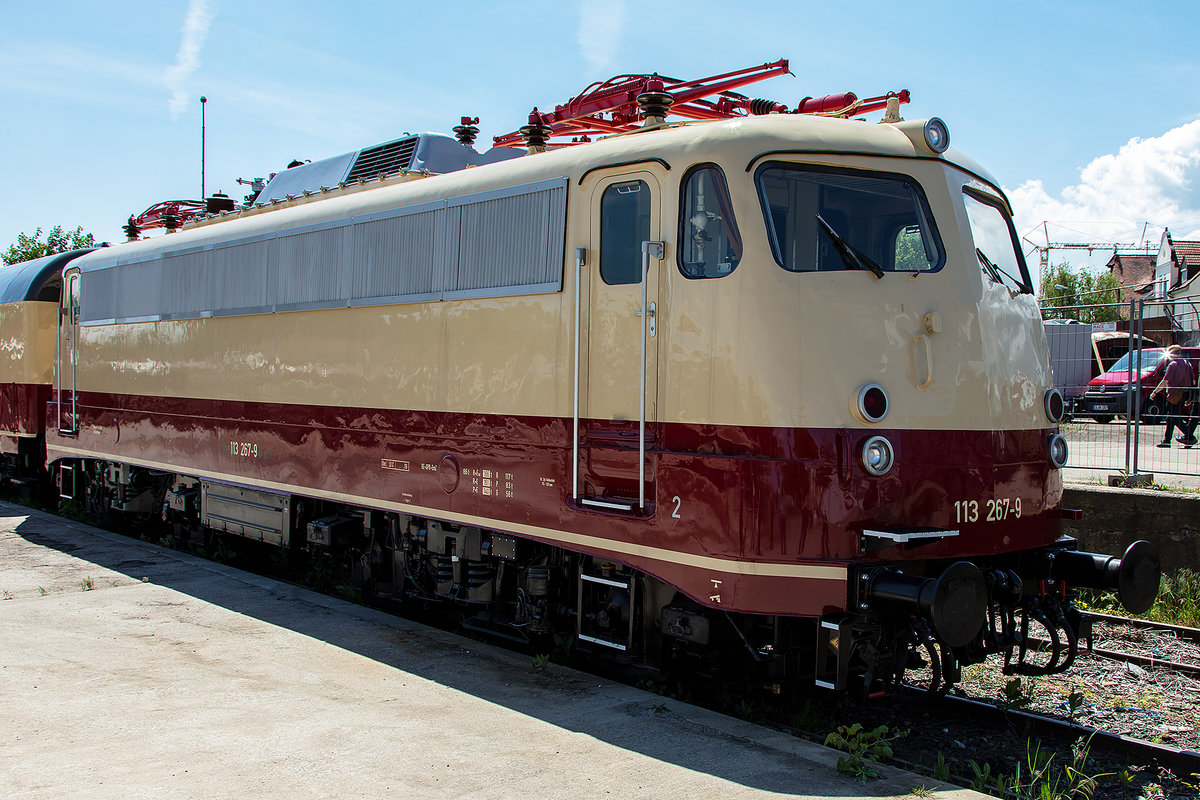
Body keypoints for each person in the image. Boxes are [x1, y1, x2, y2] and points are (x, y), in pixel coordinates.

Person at [1150, 345, 1196, 447]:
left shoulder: (1173, 365)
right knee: (1170, 417)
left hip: (1174, 394)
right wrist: (1189, 397)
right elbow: (1192, 381)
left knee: (1174, 417)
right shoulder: (1188, 364)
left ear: (1171, 353)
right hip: (1184, 393)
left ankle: (1189, 436)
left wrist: (1155, 392)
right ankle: (1167, 440)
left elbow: (1165, 381)